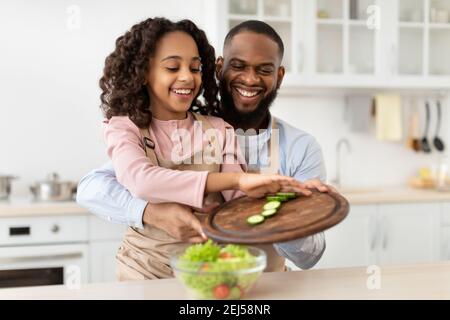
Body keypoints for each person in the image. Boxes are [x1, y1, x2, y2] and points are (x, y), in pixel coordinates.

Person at [77, 20, 328, 277]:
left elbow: (306, 252)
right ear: (219, 68)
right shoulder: (132, 128)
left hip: (240, 280)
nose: (250, 79)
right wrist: (149, 212)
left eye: (264, 69)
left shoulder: (288, 145)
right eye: (173, 67)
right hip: (148, 272)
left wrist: (290, 195)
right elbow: (107, 185)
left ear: (279, 76)